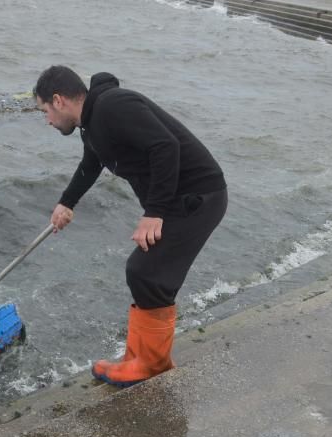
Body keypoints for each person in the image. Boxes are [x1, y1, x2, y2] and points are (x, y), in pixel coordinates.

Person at [34, 65, 228, 387]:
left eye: (45, 111)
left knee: (146, 272)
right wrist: (67, 202)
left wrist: (154, 212)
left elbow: (166, 146)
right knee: (147, 273)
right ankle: (139, 360)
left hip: (198, 196)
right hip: (181, 200)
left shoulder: (114, 106)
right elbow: (91, 163)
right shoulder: (93, 123)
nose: (47, 121)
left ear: (58, 100)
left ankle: (150, 366)